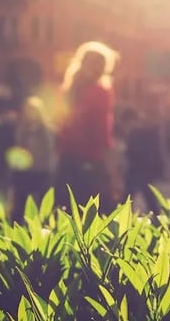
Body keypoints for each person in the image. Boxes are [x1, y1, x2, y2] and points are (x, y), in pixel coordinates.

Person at [55, 41, 119, 212]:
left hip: (66, 162)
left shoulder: (66, 91)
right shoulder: (100, 92)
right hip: (92, 162)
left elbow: (60, 127)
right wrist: (113, 172)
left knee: (67, 214)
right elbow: (102, 135)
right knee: (99, 218)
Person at [9, 96, 56, 222]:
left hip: (41, 172)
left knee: (41, 206)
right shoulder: (22, 130)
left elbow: (49, 151)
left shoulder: (46, 130)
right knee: (20, 204)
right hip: (25, 172)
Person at [123, 108, 163, 213]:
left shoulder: (136, 133)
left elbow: (132, 153)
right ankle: (159, 219)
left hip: (137, 170)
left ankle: (122, 222)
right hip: (144, 171)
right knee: (149, 199)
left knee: (127, 199)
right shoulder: (144, 132)